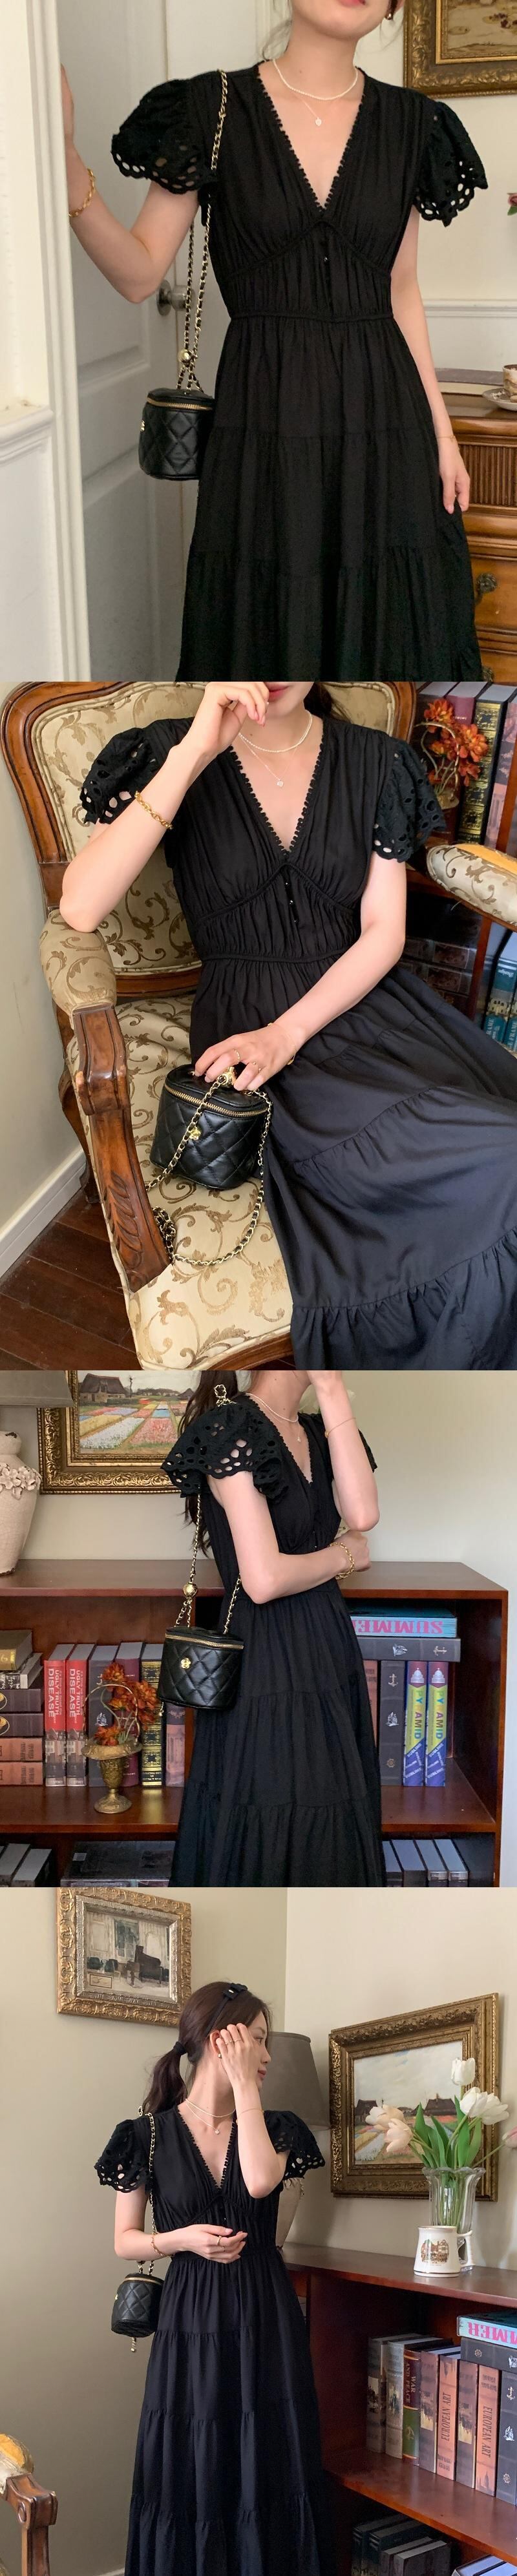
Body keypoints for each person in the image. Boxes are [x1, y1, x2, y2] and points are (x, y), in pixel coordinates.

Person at [63, 681, 517, 1368]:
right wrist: (196, 750)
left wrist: (289, 1033)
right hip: (247, 1021)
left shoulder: (378, 761)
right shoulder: (165, 749)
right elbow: (80, 907)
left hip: (368, 1005)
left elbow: (383, 932)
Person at [61, 0, 486, 678]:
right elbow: (139, 273)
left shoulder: (415, 125)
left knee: (391, 636)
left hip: (387, 420)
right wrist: (63, 159)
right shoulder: (210, 111)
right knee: (266, 639)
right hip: (265, 416)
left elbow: (400, 289)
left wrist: (442, 434)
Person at [96, 1979, 333, 2575]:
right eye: (258, 2039)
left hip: (264, 2309)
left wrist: (247, 2089)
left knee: (268, 2451)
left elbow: (259, 2182)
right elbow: (125, 2240)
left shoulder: (277, 2126)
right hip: (190, 2313)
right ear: (217, 2038)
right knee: (193, 2452)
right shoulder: (144, 2134)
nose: (267, 2054)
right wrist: (181, 2238)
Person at [161, 1364, 383, 1888]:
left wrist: (331, 1387)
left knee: (334, 1817)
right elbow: (262, 1580)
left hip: (329, 1648)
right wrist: (345, 1557)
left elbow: (363, 1516)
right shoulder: (229, 1428)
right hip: (267, 1656)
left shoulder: (317, 1429)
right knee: (272, 1810)